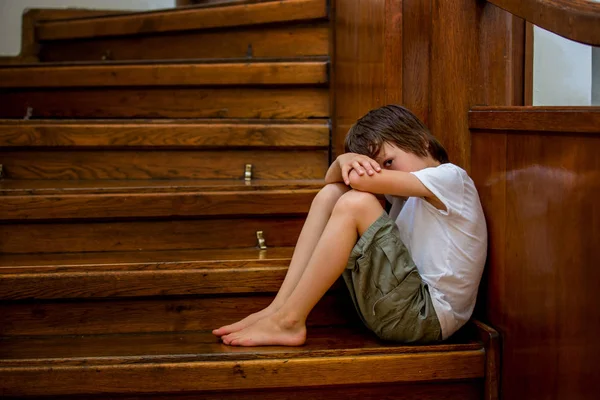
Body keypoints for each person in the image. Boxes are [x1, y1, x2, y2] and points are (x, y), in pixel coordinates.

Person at [213, 105, 487, 346]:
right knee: (331, 195)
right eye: (375, 166)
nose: (382, 173)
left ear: (424, 143)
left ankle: (290, 321)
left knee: (356, 202)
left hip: (427, 317)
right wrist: (343, 163)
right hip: (397, 309)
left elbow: (357, 181)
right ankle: (280, 308)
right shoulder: (406, 196)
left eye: (388, 163)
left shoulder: (450, 178)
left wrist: (344, 161)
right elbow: (333, 183)